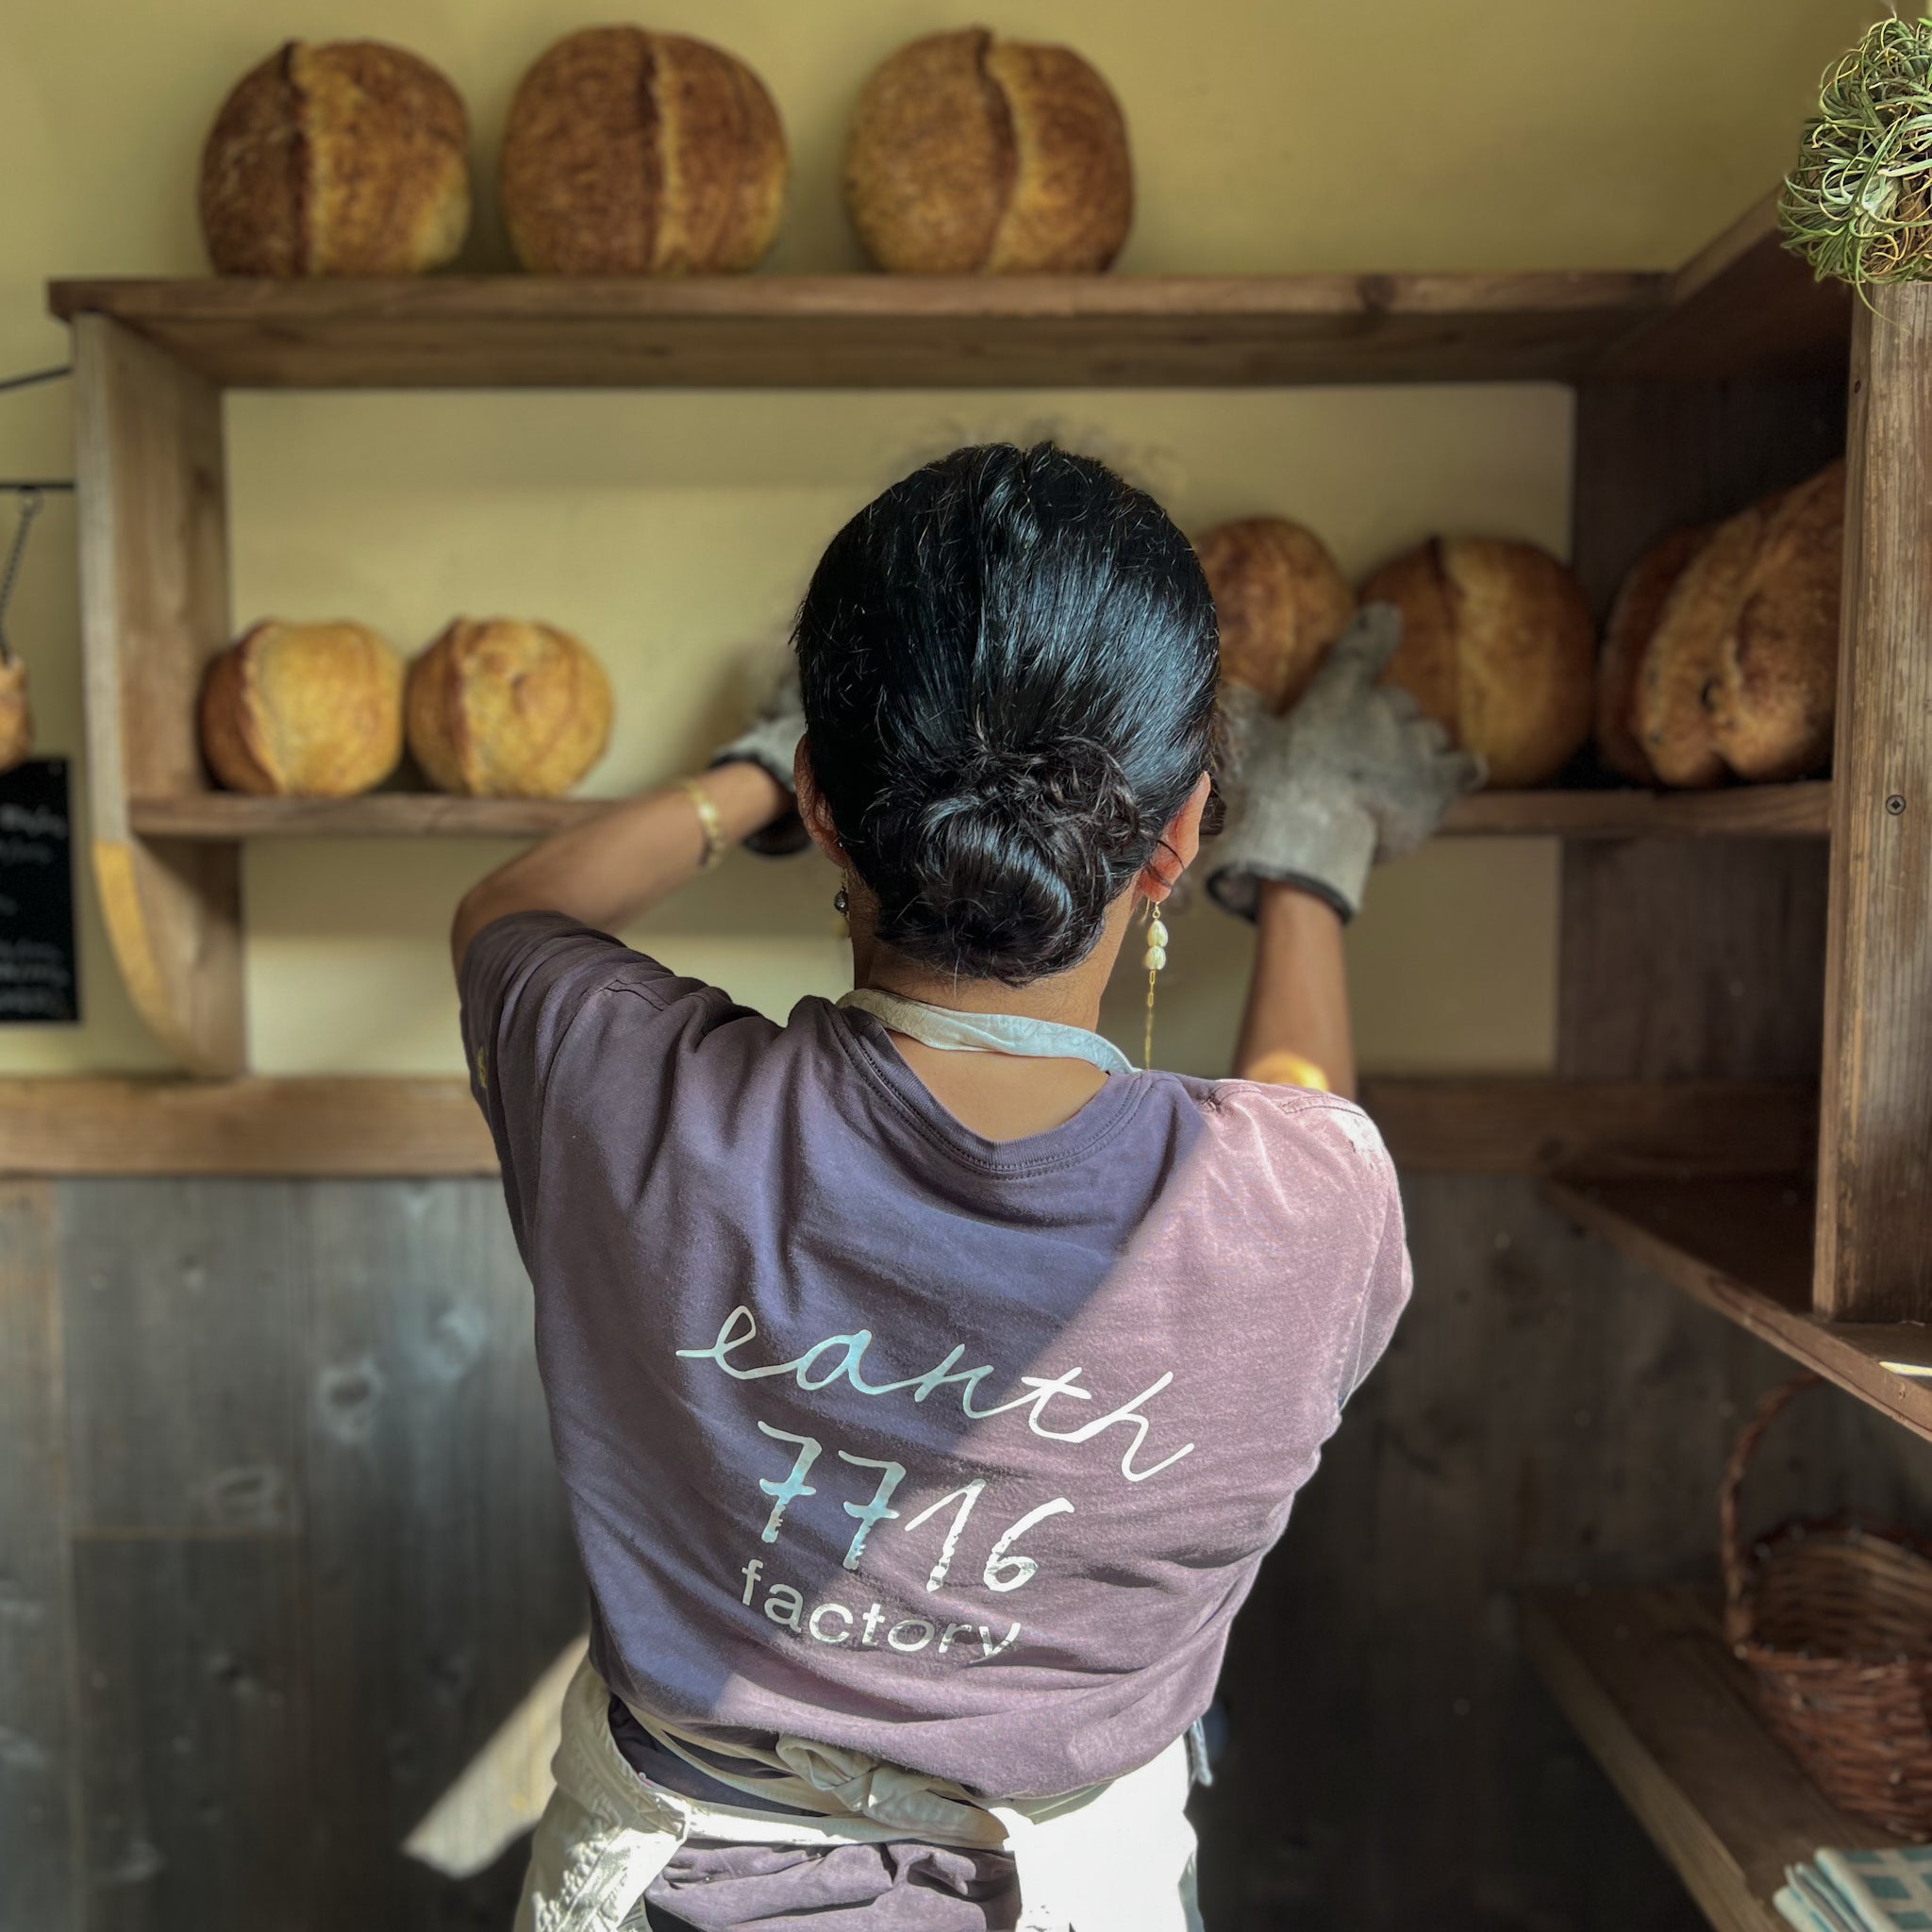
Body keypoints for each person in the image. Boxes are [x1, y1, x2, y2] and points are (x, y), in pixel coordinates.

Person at [451, 443, 1477, 1931]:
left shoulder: (620, 1098)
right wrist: (1310, 866)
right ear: (1180, 834)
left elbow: (513, 909)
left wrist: (745, 774)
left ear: (823, 802)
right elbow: (1303, 1104)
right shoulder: (1316, 1205)